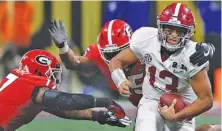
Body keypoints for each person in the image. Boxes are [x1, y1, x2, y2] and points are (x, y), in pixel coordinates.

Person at [49, 18, 213, 107]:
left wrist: (205, 48)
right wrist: (63, 47)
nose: (116, 56)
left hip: (172, 97)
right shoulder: (98, 54)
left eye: (120, 51)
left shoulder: (145, 45)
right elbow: (74, 63)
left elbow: (178, 45)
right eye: (110, 53)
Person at [109, 3, 214, 131]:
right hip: (151, 99)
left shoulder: (193, 55)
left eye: (180, 30)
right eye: (169, 29)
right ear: (160, 26)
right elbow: (116, 60)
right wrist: (120, 80)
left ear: (189, 32)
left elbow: (206, 100)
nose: (174, 35)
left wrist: (177, 116)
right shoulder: (146, 39)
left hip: (182, 105)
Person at [0, 49, 131, 131]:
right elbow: (63, 100)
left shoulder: (21, 83)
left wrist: (97, 115)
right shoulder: (31, 82)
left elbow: (62, 109)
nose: (55, 79)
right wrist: (104, 102)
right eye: (52, 73)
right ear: (38, 70)